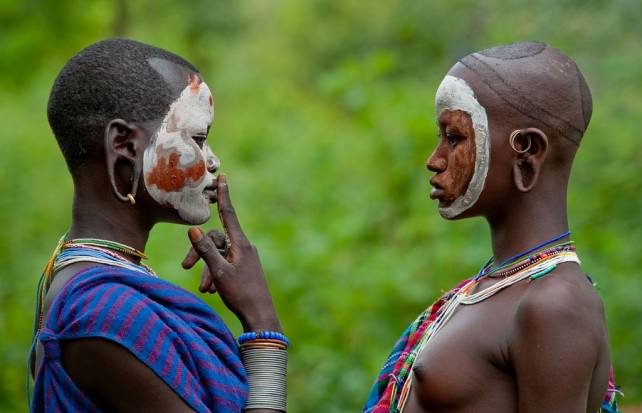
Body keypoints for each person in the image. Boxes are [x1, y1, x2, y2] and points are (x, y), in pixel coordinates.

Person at [29, 39, 287, 412]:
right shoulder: (104, 312)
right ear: (125, 146)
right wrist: (263, 321)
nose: (212, 160)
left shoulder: (85, 278)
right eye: (198, 139)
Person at [363, 42, 620, 413]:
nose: (434, 161)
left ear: (527, 152)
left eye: (454, 138)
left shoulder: (554, 305)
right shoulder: (492, 288)